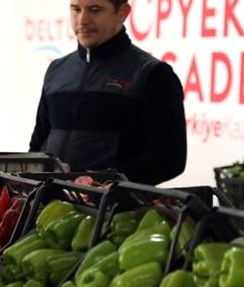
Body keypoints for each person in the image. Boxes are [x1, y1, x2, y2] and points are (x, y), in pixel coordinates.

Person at [29, 0, 187, 185]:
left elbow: (170, 158)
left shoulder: (153, 74)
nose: (82, 20)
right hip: (49, 206)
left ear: (123, 13)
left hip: (113, 210)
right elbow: (38, 144)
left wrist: (106, 184)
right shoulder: (57, 70)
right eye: (76, 9)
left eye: (94, 10)